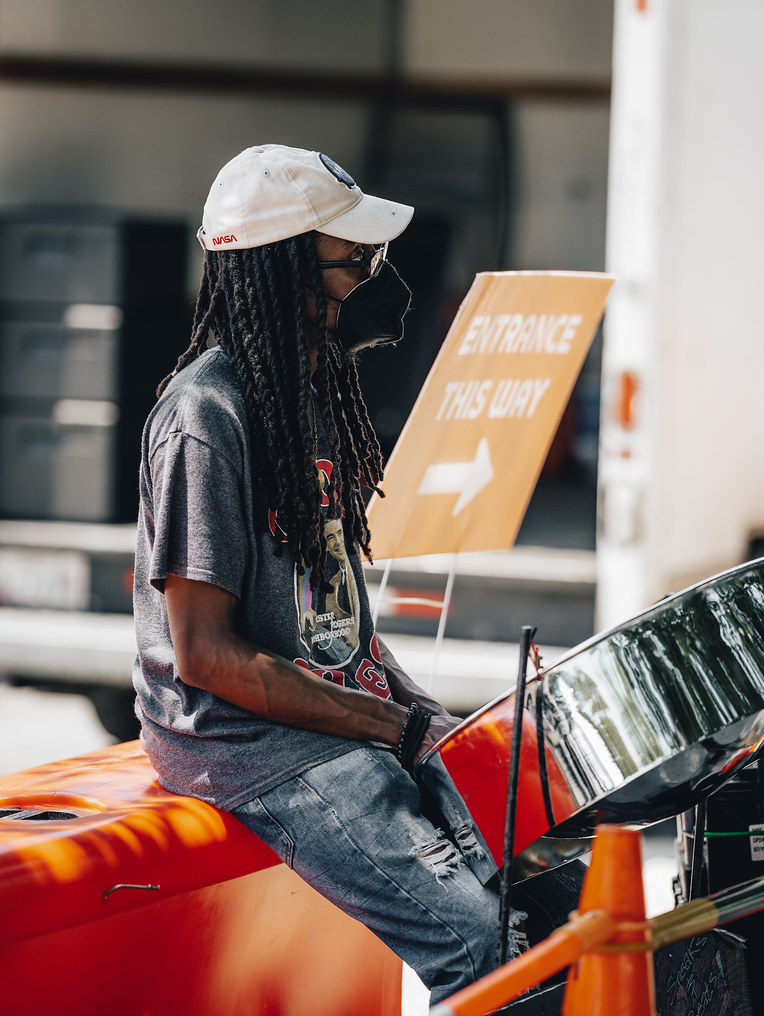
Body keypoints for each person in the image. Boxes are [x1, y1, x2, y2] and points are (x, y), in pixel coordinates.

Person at [131, 144, 528, 1004]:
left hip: (325, 715)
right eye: (356, 259)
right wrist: (390, 731)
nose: (378, 278)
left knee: (537, 892)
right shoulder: (206, 419)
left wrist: (424, 716)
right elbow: (205, 656)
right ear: (284, 269)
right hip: (243, 742)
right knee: (483, 949)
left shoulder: (308, 393)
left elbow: (334, 626)